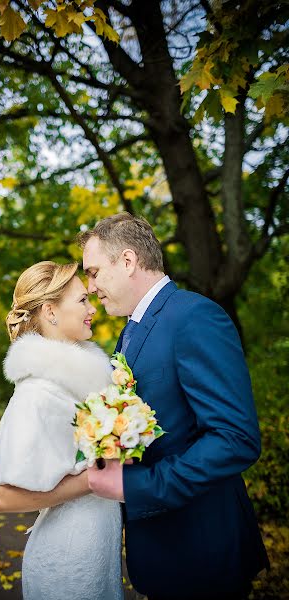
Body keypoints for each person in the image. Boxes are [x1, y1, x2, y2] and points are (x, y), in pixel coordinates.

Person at [78, 213, 269, 600]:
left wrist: (137, 486)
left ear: (128, 261)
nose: (91, 286)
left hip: (202, 551)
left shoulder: (195, 317)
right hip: (161, 552)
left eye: (95, 272)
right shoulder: (130, 330)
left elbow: (236, 439)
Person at [0, 261, 124, 600]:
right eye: (81, 301)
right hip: (68, 562)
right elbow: (0, 497)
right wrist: (92, 480)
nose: (93, 309)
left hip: (98, 551)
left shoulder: (76, 385)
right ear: (50, 311)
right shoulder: (38, 391)